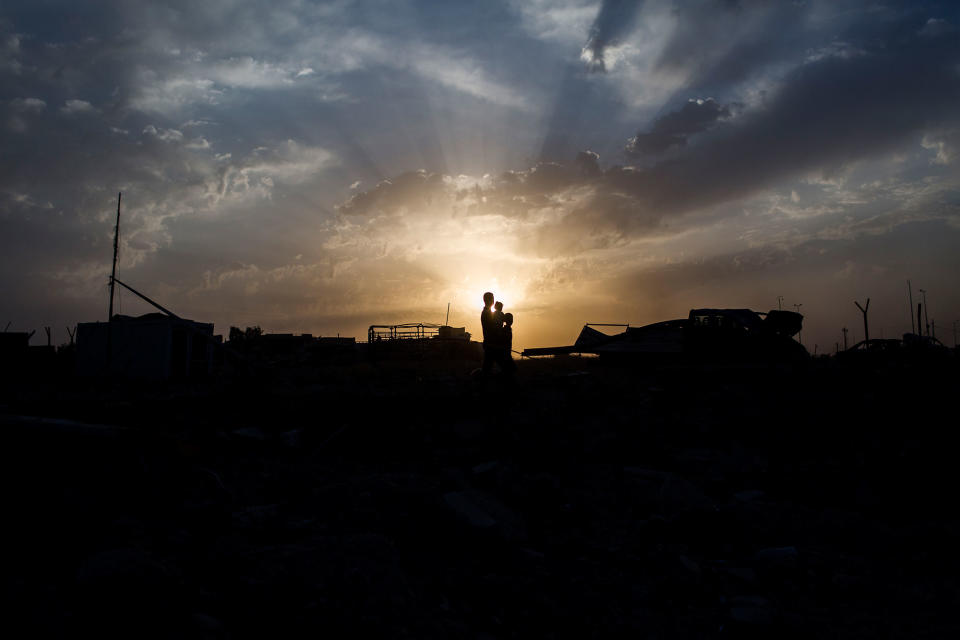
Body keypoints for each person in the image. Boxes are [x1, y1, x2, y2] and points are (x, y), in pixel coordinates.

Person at [480, 292, 498, 376]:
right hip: (490, 343)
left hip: (490, 343)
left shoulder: (488, 312)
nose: (493, 301)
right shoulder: (487, 313)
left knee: (488, 367)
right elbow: (492, 328)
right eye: (491, 299)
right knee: (487, 368)